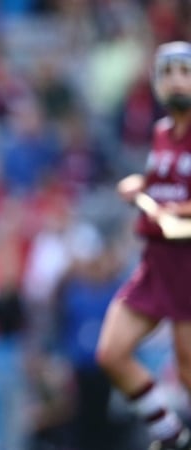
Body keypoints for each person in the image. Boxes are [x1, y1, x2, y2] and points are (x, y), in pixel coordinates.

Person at [95, 40, 191, 450]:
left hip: (189, 266)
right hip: (156, 264)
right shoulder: (161, 133)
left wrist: (174, 209)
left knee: (189, 376)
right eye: (166, 73)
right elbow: (168, 183)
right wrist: (142, 185)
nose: (174, 81)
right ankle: (170, 436)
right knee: (112, 353)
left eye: (184, 72)